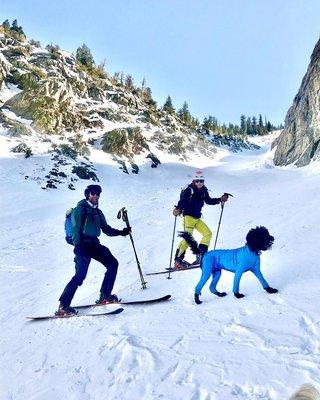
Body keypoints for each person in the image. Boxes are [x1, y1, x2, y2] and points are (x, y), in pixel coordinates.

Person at [57, 184, 131, 316]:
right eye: (93, 193)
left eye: (97, 194)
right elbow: (75, 229)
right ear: (87, 194)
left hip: (94, 244)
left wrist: (122, 232)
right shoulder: (79, 210)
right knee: (80, 276)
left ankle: (105, 296)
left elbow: (106, 229)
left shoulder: (98, 212)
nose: (95, 196)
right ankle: (63, 306)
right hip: (82, 246)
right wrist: (78, 246)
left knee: (113, 264)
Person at [179, 226, 278, 304]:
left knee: (217, 274)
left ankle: (213, 289)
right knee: (205, 277)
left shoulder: (255, 256)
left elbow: (258, 272)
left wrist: (267, 287)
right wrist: (236, 292)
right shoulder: (245, 258)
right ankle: (197, 292)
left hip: (215, 258)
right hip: (210, 258)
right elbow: (237, 274)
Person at [172, 170, 229, 268]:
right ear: (194, 181)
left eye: (201, 181)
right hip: (188, 217)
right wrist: (178, 209)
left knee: (208, 234)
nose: (199, 183)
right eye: (197, 181)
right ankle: (178, 261)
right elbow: (183, 201)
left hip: (197, 218)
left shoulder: (204, 190)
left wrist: (220, 199)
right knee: (187, 238)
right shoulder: (189, 190)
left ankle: (201, 256)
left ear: (203, 181)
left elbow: (208, 201)